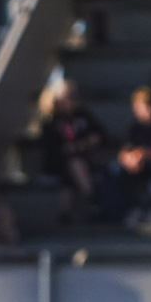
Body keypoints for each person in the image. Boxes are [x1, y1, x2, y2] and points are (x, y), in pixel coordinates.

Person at [38, 80, 107, 223]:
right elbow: (51, 148)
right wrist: (69, 148)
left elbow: (100, 133)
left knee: (73, 170)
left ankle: (65, 212)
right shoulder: (51, 120)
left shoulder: (82, 115)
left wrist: (84, 143)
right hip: (58, 162)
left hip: (82, 159)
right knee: (73, 164)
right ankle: (92, 199)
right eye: (68, 96)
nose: (72, 100)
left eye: (74, 96)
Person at [112, 86, 151, 226]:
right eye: (144, 106)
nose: (148, 110)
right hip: (138, 167)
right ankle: (132, 210)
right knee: (116, 170)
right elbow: (125, 149)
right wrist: (129, 159)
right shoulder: (135, 127)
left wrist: (145, 154)